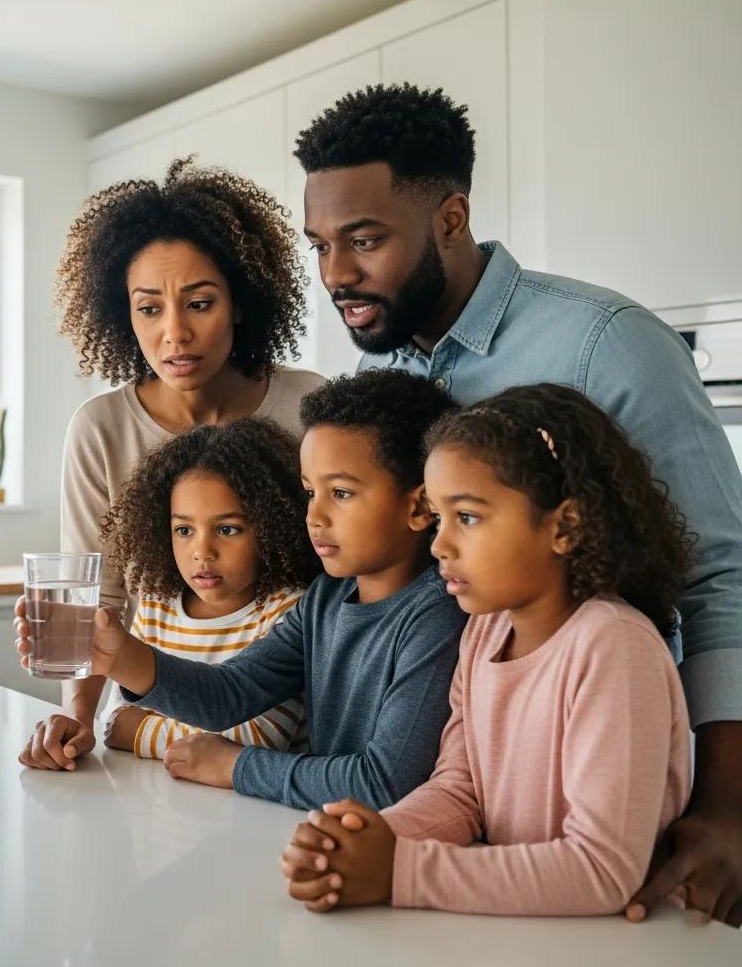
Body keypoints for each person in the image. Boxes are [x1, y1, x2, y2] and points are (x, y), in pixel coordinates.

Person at [294, 82, 742, 925]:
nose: (336, 275)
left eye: (364, 240)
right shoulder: (375, 379)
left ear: (451, 217)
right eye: (318, 245)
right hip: (463, 816)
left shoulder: (607, 345)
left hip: (606, 806)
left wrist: (729, 807)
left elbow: (721, 577)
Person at [280, 384, 693, 916]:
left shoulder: (614, 647)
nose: (438, 544)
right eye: (438, 516)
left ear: (565, 526)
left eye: (467, 517)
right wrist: (365, 840)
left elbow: (602, 869)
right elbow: (461, 790)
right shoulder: (484, 633)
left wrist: (399, 871)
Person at [20, 370, 466, 809]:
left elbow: (384, 783)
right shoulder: (326, 599)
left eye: (342, 493)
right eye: (311, 492)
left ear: (420, 506)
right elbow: (231, 692)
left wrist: (236, 767)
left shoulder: (437, 616)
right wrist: (117, 656)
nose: (315, 516)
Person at [35, 157, 324, 760]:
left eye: (199, 303)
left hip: (289, 725)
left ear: (240, 303)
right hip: (152, 711)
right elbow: (94, 601)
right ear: (124, 315)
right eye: (149, 308)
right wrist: (77, 720)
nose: (175, 334)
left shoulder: (308, 408)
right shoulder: (101, 430)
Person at [17, 418, 318, 771]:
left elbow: (252, 743)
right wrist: (194, 740)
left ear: (272, 528)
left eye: (227, 529)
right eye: (184, 529)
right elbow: (114, 722)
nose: (201, 551)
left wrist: (141, 730)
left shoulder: (289, 611)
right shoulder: (157, 604)